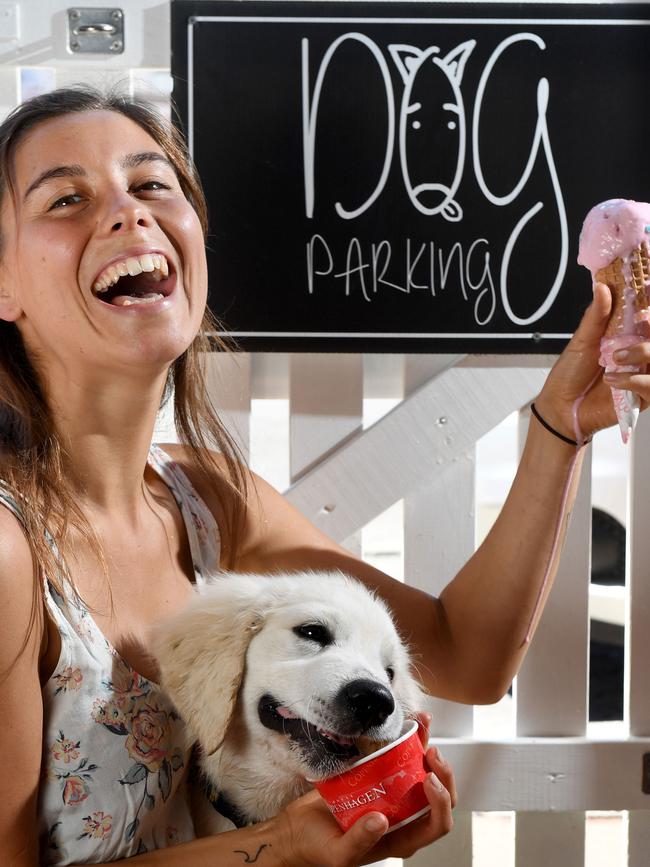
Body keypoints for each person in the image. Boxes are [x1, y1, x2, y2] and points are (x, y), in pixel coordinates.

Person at [0, 86, 644, 867]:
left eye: (151, 185)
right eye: (67, 197)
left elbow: (465, 655)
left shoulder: (206, 498)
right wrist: (276, 850)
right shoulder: (10, 549)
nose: (130, 214)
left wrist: (559, 424)